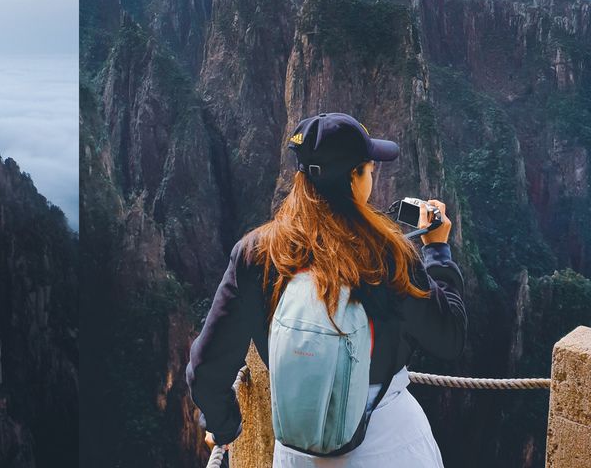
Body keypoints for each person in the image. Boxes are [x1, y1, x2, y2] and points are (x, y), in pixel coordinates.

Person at [185, 112, 467, 467]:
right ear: (353, 177)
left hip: (297, 452)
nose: (373, 176)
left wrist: (225, 428)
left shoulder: (256, 255)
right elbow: (449, 337)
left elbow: (205, 367)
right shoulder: (387, 256)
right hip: (389, 445)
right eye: (369, 168)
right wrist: (438, 251)